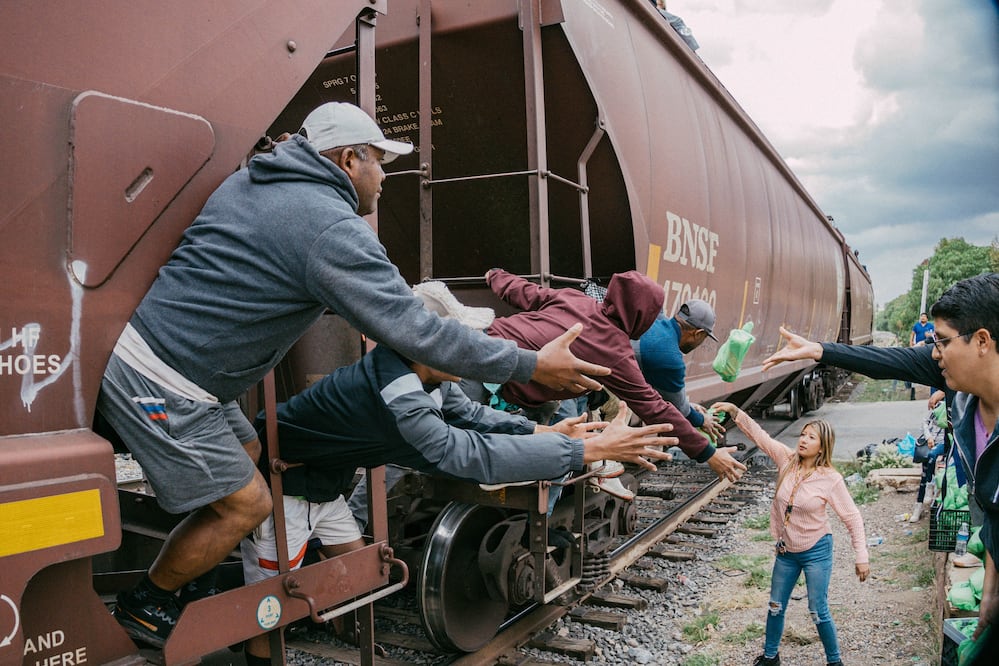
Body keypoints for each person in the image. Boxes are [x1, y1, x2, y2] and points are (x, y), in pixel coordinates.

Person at [97, 101, 611, 649]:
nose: (386, 176)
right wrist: (529, 364)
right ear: (348, 160)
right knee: (248, 504)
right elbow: (416, 330)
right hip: (168, 378)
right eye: (380, 161)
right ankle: (149, 603)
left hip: (193, 369)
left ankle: (200, 554)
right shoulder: (329, 227)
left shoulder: (254, 181)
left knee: (245, 465)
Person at [239, 283, 673, 665]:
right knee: (269, 608)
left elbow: (467, 413)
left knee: (358, 573)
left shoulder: (427, 375)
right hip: (285, 487)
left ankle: (341, 623)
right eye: (460, 337)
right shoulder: (401, 397)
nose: (472, 345)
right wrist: (582, 451)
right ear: (426, 342)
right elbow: (463, 453)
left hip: (324, 485)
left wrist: (543, 429)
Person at [763, 273, 999, 663]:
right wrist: (819, 351)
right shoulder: (962, 390)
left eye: (941, 341)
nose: (934, 353)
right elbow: (887, 362)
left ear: (982, 341)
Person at [478, 269, 746, 491]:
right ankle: (540, 510)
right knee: (562, 452)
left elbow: (526, 293)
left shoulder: (575, 299)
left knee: (554, 410)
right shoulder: (616, 351)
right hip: (496, 381)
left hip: (479, 342)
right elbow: (656, 408)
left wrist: (496, 276)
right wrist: (707, 454)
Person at [711, 402, 870, 666]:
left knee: (817, 610)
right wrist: (735, 412)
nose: (804, 441)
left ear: (823, 445)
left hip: (816, 551)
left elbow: (852, 517)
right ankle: (771, 657)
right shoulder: (787, 460)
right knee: (775, 606)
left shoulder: (830, 479)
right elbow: (760, 437)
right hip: (787, 551)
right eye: (803, 435)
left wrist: (861, 555)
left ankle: (835, 661)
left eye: (811, 437)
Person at [632, 299, 726, 443]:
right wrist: (702, 421)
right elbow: (679, 409)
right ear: (698, 333)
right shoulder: (671, 358)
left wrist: (688, 406)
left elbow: (678, 402)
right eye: (704, 337)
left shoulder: (656, 323)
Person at [909, 401, 947, 522]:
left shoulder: (954, 406)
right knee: (924, 475)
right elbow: (925, 421)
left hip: (943, 444)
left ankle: (930, 486)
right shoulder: (938, 406)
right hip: (931, 442)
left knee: (932, 459)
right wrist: (929, 436)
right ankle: (918, 507)